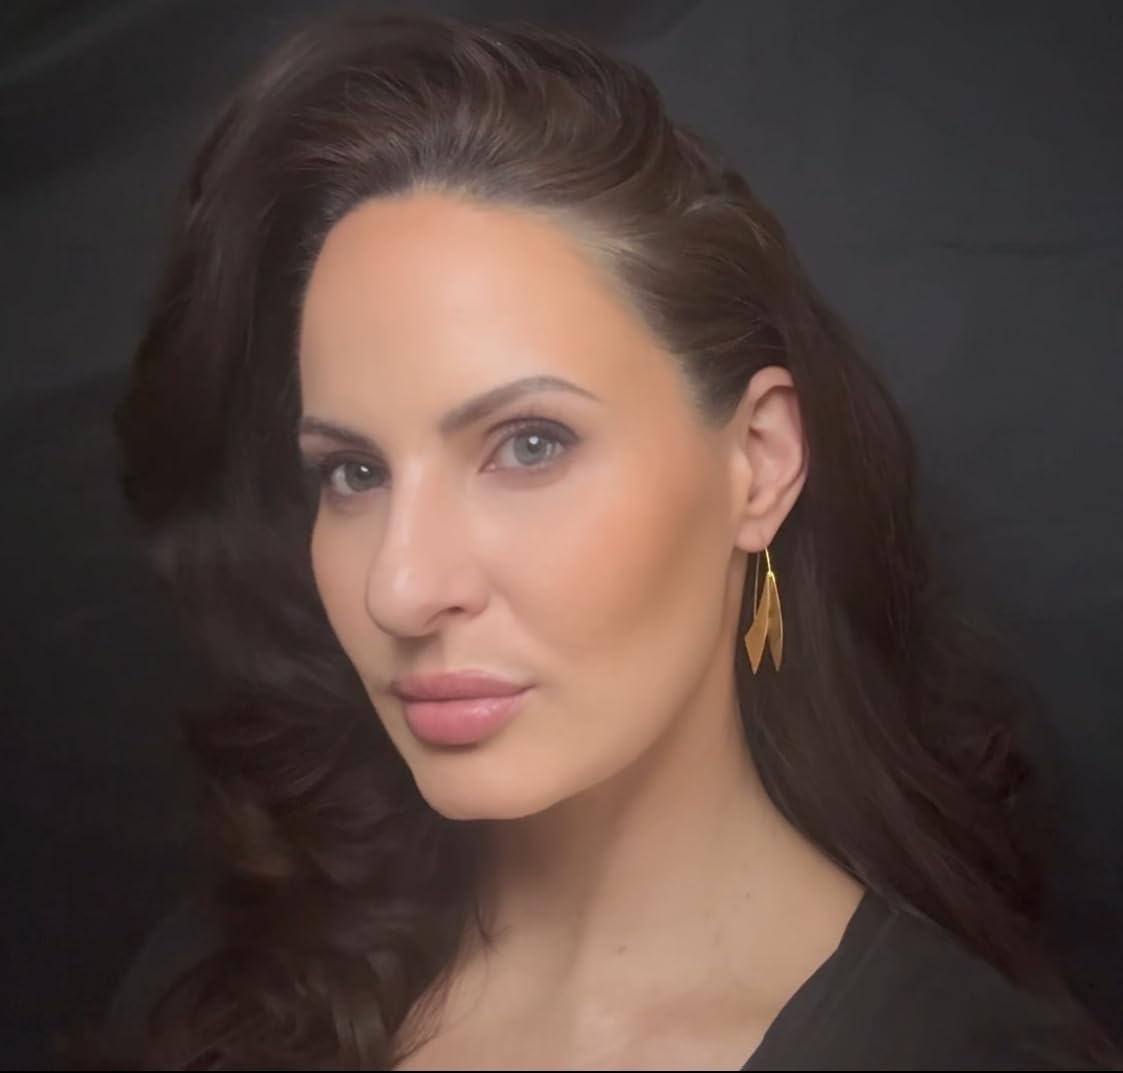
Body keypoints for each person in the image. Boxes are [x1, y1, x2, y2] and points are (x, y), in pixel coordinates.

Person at [101, 10, 1116, 1071]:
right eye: (352, 472)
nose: (400, 587)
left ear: (759, 460)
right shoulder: (220, 979)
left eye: (528, 444)